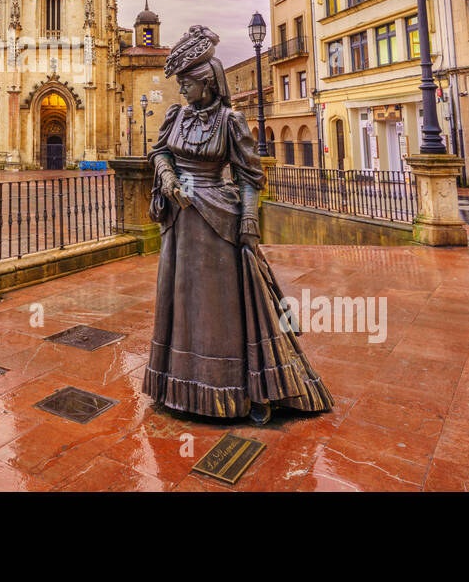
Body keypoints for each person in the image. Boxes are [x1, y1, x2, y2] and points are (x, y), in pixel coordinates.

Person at [142, 24, 333, 423]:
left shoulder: (230, 121)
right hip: (181, 224)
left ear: (207, 83)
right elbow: (159, 154)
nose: (182, 92)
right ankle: (179, 384)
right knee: (183, 304)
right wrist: (168, 177)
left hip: (217, 222)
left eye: (187, 85)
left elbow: (250, 177)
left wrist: (248, 220)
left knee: (216, 307)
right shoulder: (177, 116)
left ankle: (229, 387)